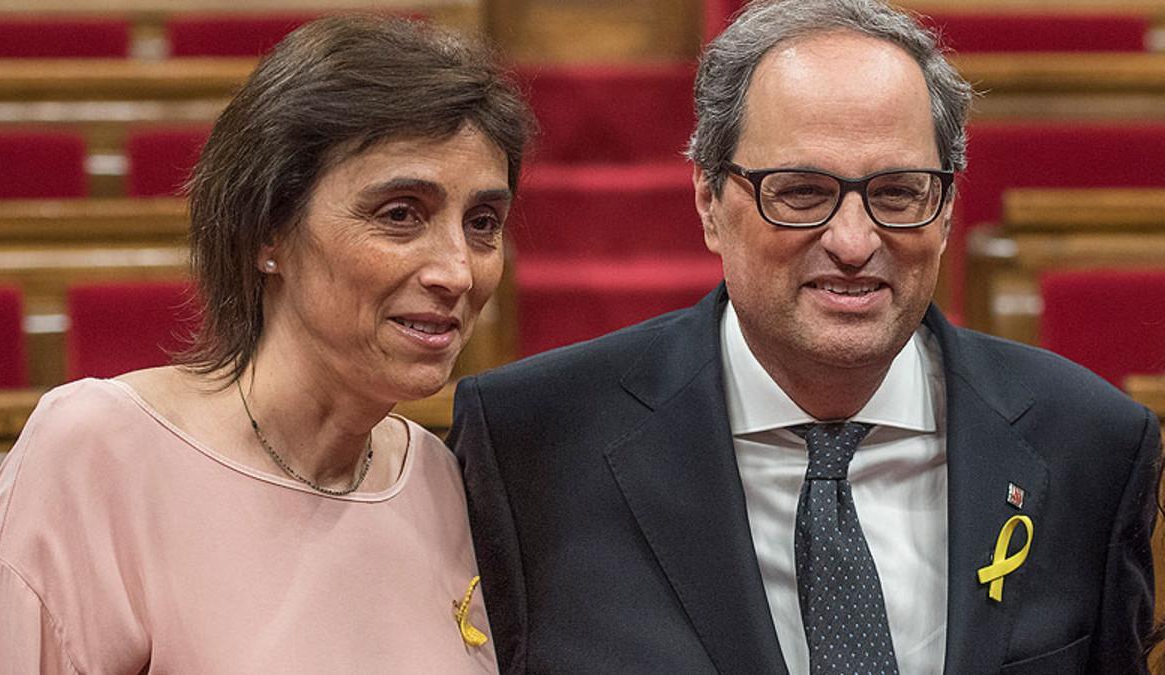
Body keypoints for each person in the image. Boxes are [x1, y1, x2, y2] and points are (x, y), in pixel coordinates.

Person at [450, 1, 1160, 673]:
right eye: (800, 192)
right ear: (708, 201)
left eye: (898, 192)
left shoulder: (1090, 445)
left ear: (945, 208)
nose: (854, 241)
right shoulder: (532, 447)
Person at [0, 16, 532, 673]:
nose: (458, 271)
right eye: (400, 213)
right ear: (267, 231)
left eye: (483, 223)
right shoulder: (97, 454)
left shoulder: (437, 478)